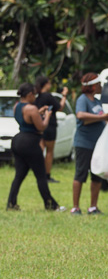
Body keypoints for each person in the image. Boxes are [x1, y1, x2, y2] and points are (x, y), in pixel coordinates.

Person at [71, 73, 108, 215]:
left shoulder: (97, 102)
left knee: (97, 174)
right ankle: (75, 208)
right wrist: (101, 117)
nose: (101, 87)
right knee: (80, 174)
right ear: (92, 86)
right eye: (99, 84)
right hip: (84, 143)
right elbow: (80, 115)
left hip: (97, 145)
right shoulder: (83, 99)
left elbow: (105, 122)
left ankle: (93, 207)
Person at [6, 83, 63, 211]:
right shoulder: (31, 108)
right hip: (30, 142)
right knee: (41, 175)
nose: (35, 98)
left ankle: (11, 203)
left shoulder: (17, 106)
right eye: (34, 95)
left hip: (18, 140)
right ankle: (50, 204)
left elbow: (26, 119)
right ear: (30, 94)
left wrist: (39, 112)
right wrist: (47, 116)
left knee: (19, 175)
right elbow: (41, 127)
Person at [34, 76, 68, 183]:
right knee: (49, 151)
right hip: (50, 126)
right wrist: (64, 95)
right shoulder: (48, 96)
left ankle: (39, 173)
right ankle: (47, 175)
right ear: (45, 84)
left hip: (39, 125)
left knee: (40, 149)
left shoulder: (37, 97)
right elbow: (60, 107)